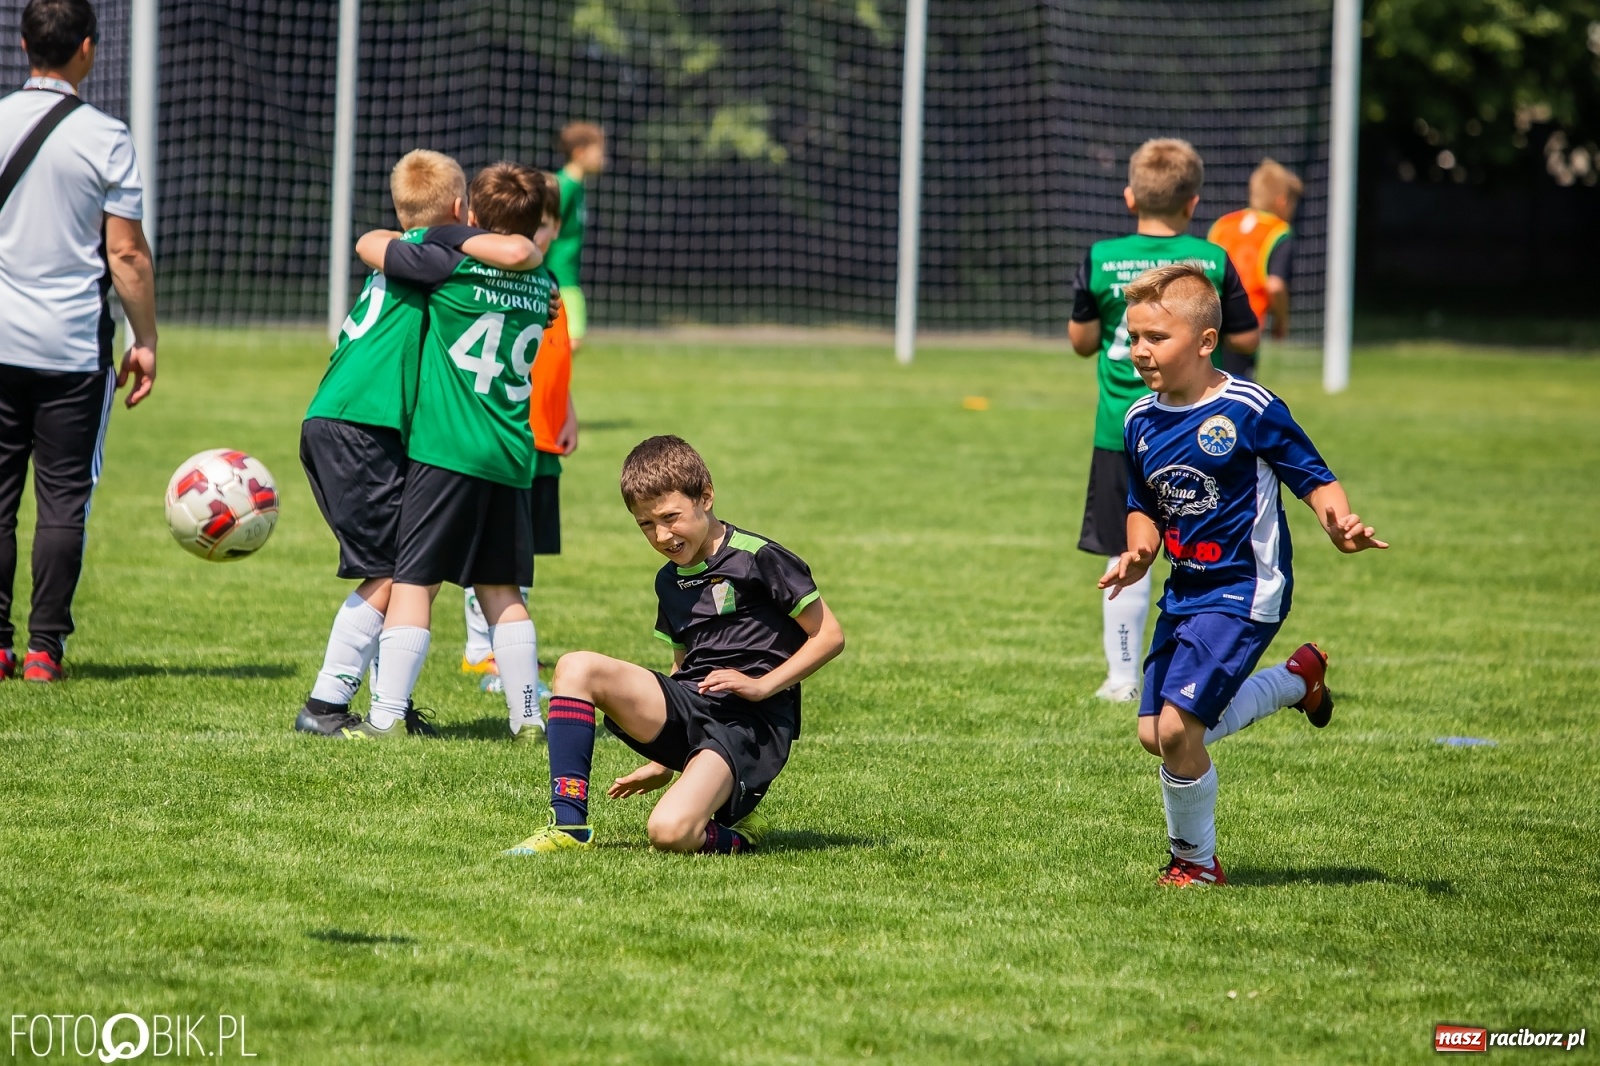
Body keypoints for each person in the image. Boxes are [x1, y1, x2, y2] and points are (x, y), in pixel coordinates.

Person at [1099, 262, 1386, 887]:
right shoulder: (1138, 420)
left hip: (1245, 588)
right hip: (1185, 592)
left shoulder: (1249, 408)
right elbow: (1143, 505)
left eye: (1157, 338)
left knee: (1178, 730)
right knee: (1156, 735)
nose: (1141, 351)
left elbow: (1314, 476)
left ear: (1205, 342)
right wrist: (1139, 551)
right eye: (1135, 337)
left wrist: (1339, 523)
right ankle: (1296, 680)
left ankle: (1195, 864)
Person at [293, 150, 541, 735]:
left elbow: (369, 242)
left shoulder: (420, 254)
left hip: (354, 417)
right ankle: (329, 708)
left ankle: (385, 710)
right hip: (366, 423)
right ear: (460, 211)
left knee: (401, 569)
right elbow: (516, 255)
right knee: (397, 570)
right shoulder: (441, 262)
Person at [504, 435, 845, 855]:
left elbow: (829, 635)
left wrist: (761, 686)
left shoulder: (759, 558)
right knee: (576, 667)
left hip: (749, 724)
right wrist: (661, 762)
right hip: (693, 703)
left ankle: (739, 829)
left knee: (669, 833)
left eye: (670, 517)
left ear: (705, 497)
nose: (662, 535)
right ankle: (569, 826)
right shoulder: (668, 580)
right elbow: (681, 670)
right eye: (646, 524)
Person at [1067, 138, 1260, 706]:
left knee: (1123, 549)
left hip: (1119, 431)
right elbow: (1244, 335)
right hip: (1203, 432)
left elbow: (1081, 343)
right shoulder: (1214, 260)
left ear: (1130, 196)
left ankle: (1122, 677)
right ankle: (1209, 663)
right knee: (1205, 543)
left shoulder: (1101, 257)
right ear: (1194, 203)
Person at [0, 0, 155, 682]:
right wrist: (145, 338)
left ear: (24, 42)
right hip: (71, 347)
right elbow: (126, 254)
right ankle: (43, 650)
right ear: (86, 49)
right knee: (64, 499)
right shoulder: (106, 136)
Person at [462, 173, 579, 696]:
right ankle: (483, 651)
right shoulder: (503, 283)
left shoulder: (547, 284)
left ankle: (500, 645)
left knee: (521, 555)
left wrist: (568, 411)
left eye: (551, 226)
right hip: (509, 436)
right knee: (497, 553)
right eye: (544, 225)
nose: (546, 236)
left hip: (544, 444)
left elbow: (548, 360)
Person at [1207, 159, 1304, 366]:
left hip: (1209, 321)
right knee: (1238, 391)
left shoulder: (1223, 225)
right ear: (1282, 201)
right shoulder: (1278, 231)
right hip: (1244, 324)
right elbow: (1275, 286)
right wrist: (1281, 321)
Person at [547, 122, 605, 351]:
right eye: (599, 151)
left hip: (568, 277)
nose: (603, 157)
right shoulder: (563, 187)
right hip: (557, 279)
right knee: (567, 344)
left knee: (568, 345)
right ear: (580, 153)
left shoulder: (578, 187)